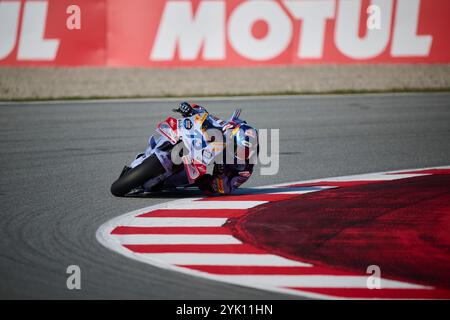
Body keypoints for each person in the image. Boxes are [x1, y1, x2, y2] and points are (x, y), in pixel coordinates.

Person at [177, 101, 258, 195]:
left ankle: (193, 178)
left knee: (214, 188)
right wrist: (194, 111)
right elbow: (213, 120)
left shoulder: (245, 169)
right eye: (239, 148)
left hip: (223, 175)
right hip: (218, 147)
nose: (241, 152)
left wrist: (221, 173)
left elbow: (226, 190)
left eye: (244, 151)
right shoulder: (235, 129)